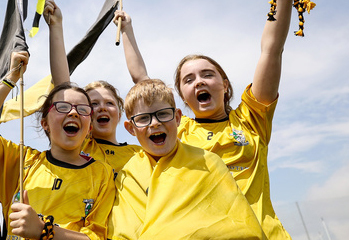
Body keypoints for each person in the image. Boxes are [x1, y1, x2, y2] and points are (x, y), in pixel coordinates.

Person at [127, 0, 304, 239]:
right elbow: (141, 80)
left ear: (225, 85)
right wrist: (127, 30)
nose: (199, 82)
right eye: (188, 79)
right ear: (181, 98)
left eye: (208, 74)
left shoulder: (252, 119)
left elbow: (271, 50)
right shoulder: (177, 130)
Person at [0, 52, 115, 240]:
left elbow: (95, 238)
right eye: (62, 106)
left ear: (89, 128)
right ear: (45, 123)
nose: (73, 113)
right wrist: (10, 78)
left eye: (83, 110)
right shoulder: (21, 161)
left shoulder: (102, 174)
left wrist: (44, 230)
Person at [107, 79, 265, 239]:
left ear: (177, 118)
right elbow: (125, 233)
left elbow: (239, 225)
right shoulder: (128, 177)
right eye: (143, 118)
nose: (155, 123)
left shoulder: (208, 161)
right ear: (131, 128)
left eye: (163, 114)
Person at [44, 0, 142, 175]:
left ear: (120, 114)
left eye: (109, 103)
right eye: (93, 104)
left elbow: (144, 85)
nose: (102, 108)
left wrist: (126, 29)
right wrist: (56, 25)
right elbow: (63, 89)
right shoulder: (78, 146)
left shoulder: (139, 154)